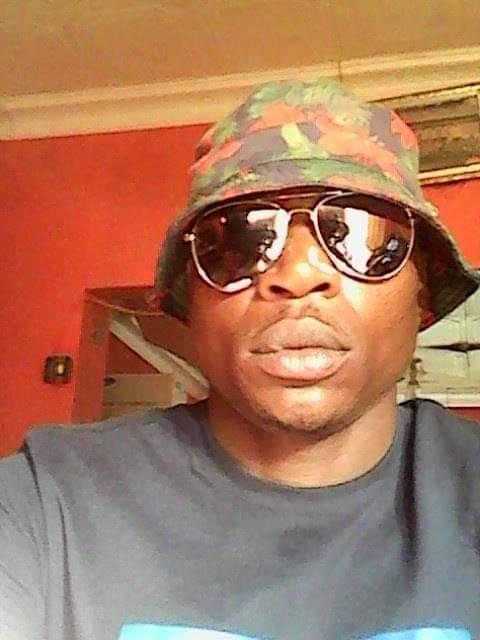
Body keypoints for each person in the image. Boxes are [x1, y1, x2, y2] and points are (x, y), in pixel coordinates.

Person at [1, 78, 479, 640]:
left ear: (422, 292)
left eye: (359, 235)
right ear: (192, 301)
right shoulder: (46, 504)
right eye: (239, 241)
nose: (298, 276)